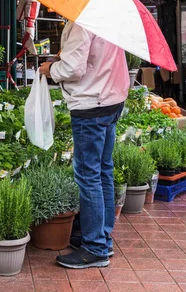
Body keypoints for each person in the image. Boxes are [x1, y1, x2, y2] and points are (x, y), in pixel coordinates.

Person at [39, 20, 129, 269]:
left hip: (91, 104)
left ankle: (95, 249)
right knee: (103, 171)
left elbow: (74, 69)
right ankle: (102, 238)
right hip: (111, 99)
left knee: (88, 175)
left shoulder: (82, 23)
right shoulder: (105, 20)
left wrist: (51, 69)